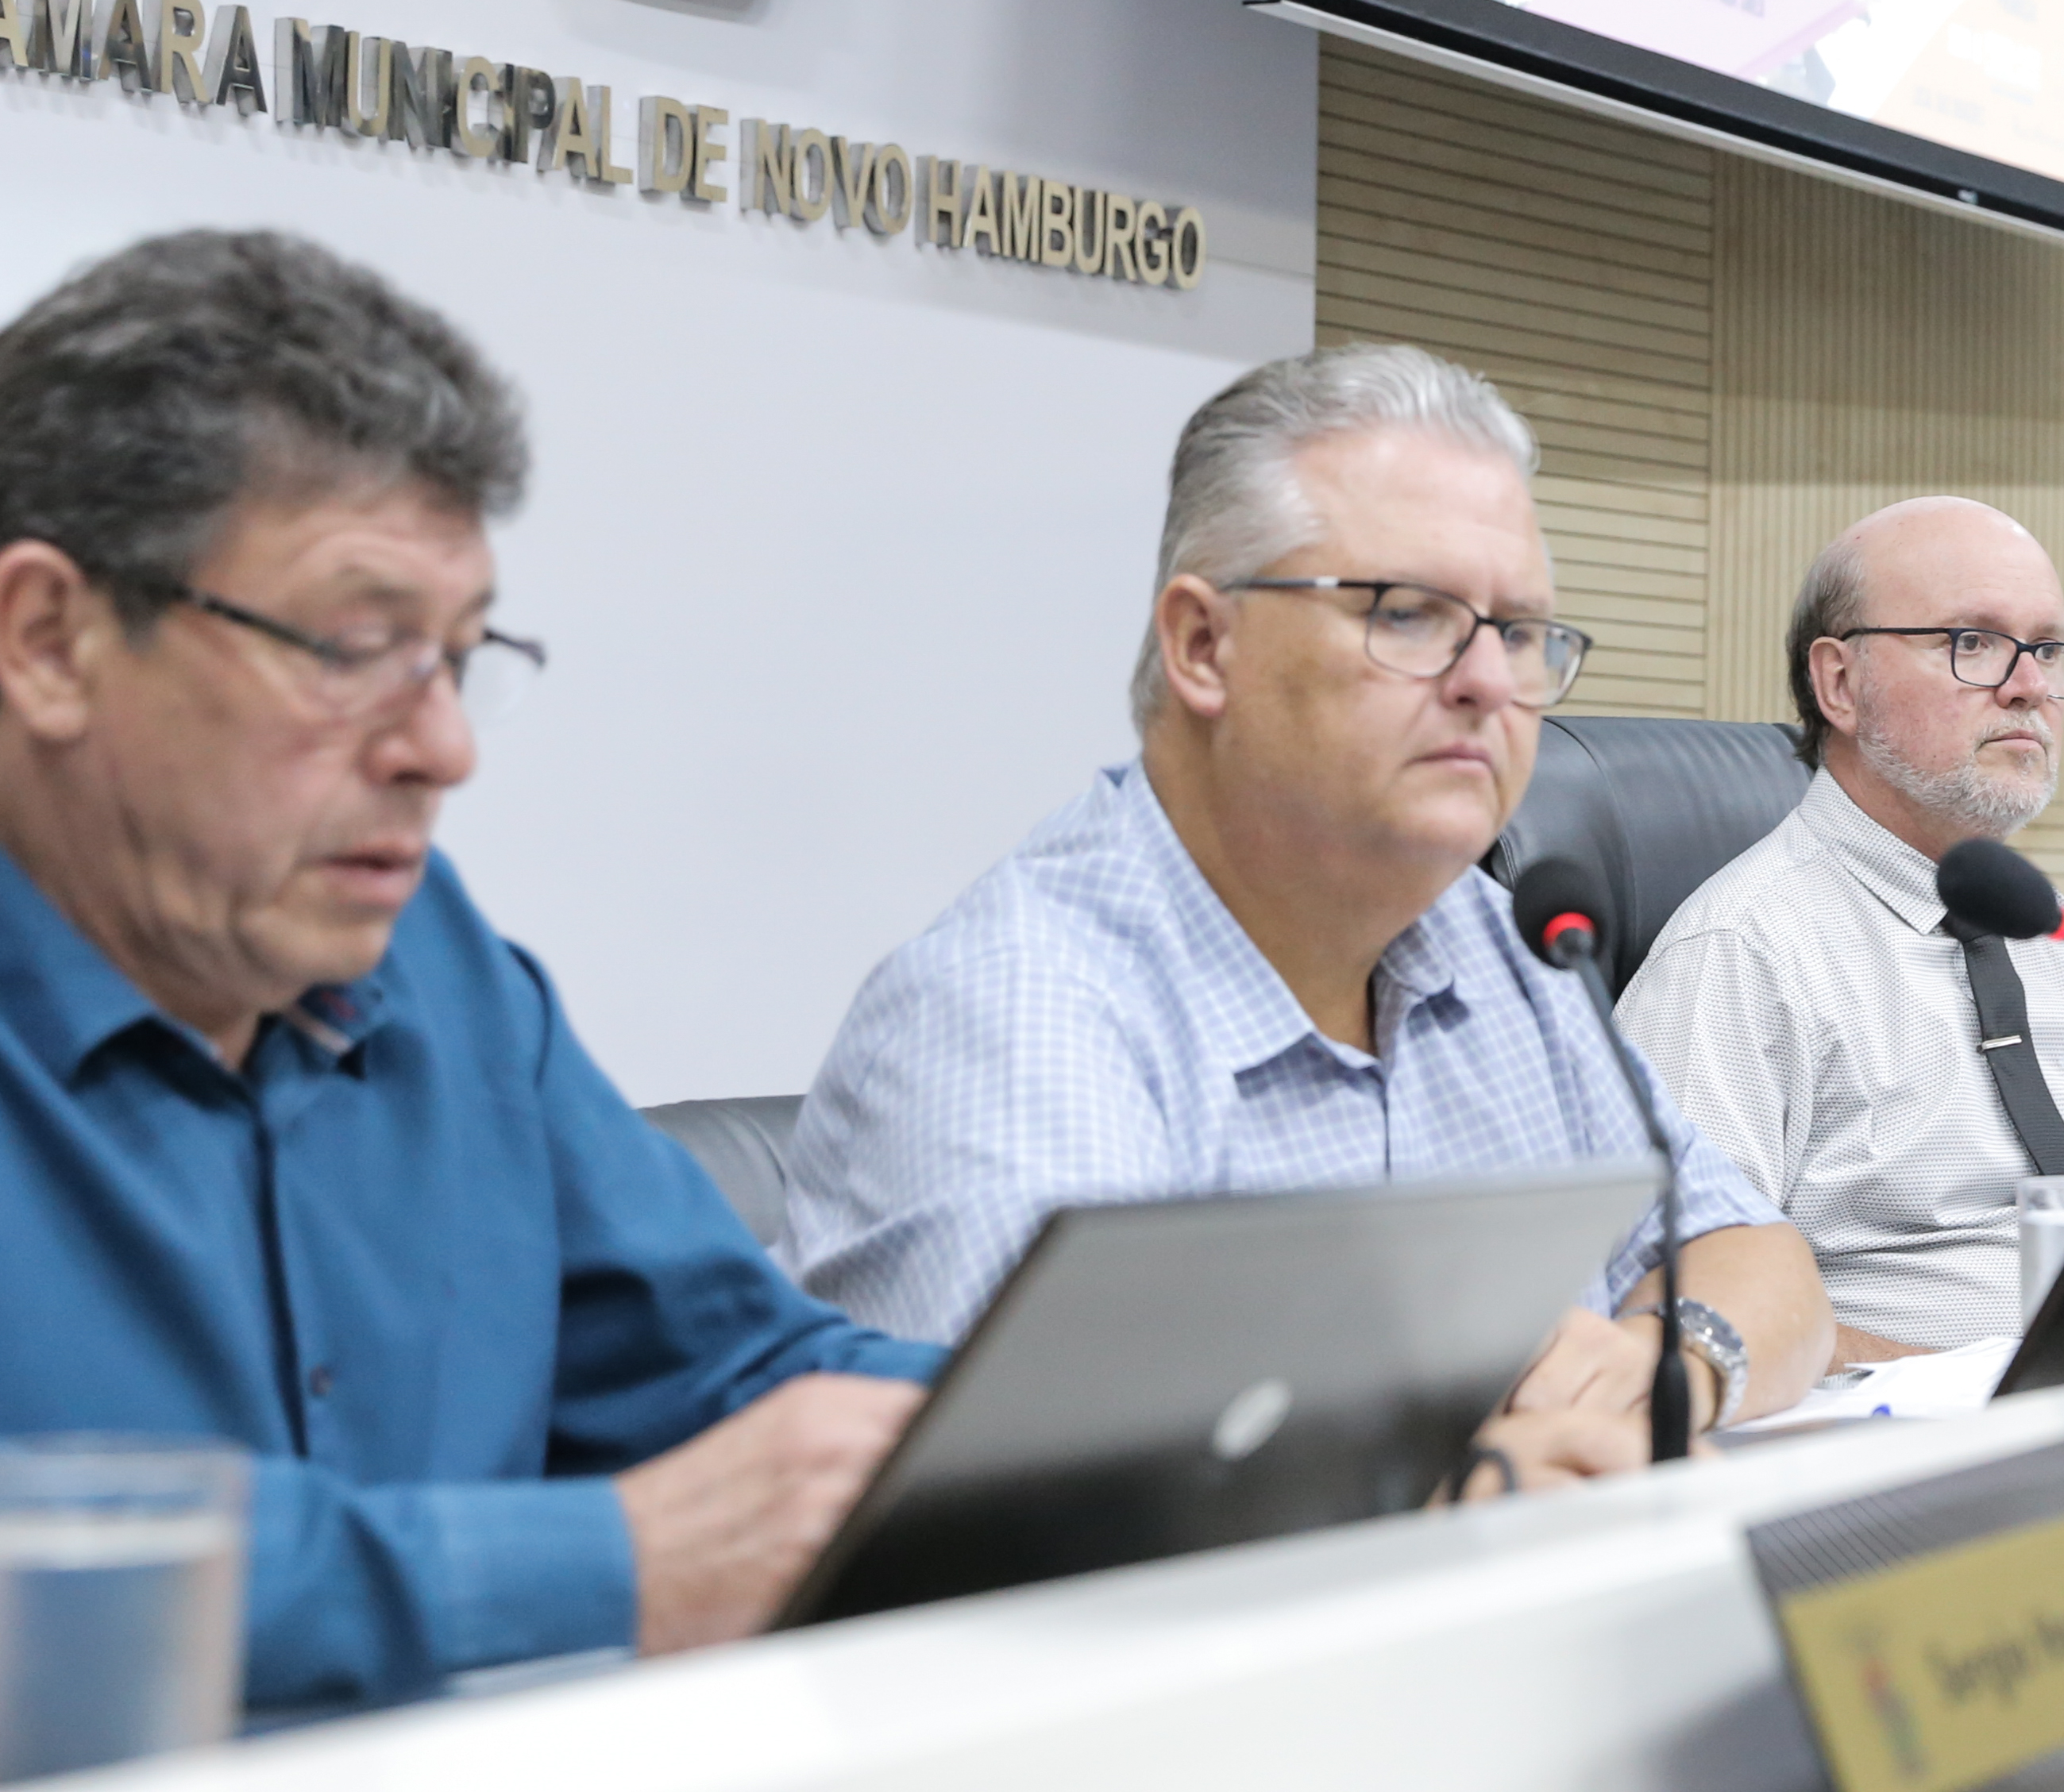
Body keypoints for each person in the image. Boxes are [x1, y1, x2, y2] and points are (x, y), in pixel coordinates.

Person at [0, 231, 942, 1722]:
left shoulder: (430, 964)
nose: (443, 748)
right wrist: (605, 1567)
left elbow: (743, 1386)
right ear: (50, 639)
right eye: (353, 646)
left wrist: (1129, 1431)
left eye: (458, 656)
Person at [782, 344, 1833, 1432]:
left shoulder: (1504, 939)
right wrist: (1504, 1467)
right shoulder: (1017, 1015)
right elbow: (1075, 1482)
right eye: (1407, 613)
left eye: (1519, 632)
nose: (1486, 681)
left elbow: (1763, 1260)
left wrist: (1669, 1365)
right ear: (1204, 645)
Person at [1615, 499, 2064, 1358]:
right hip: (1899, 1421)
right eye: (1973, 642)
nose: (2030, 686)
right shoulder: (1741, 954)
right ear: (1840, 684)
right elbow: (1671, 1311)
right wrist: (1980, 1385)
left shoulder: (2063, 939)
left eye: (2048, 649)